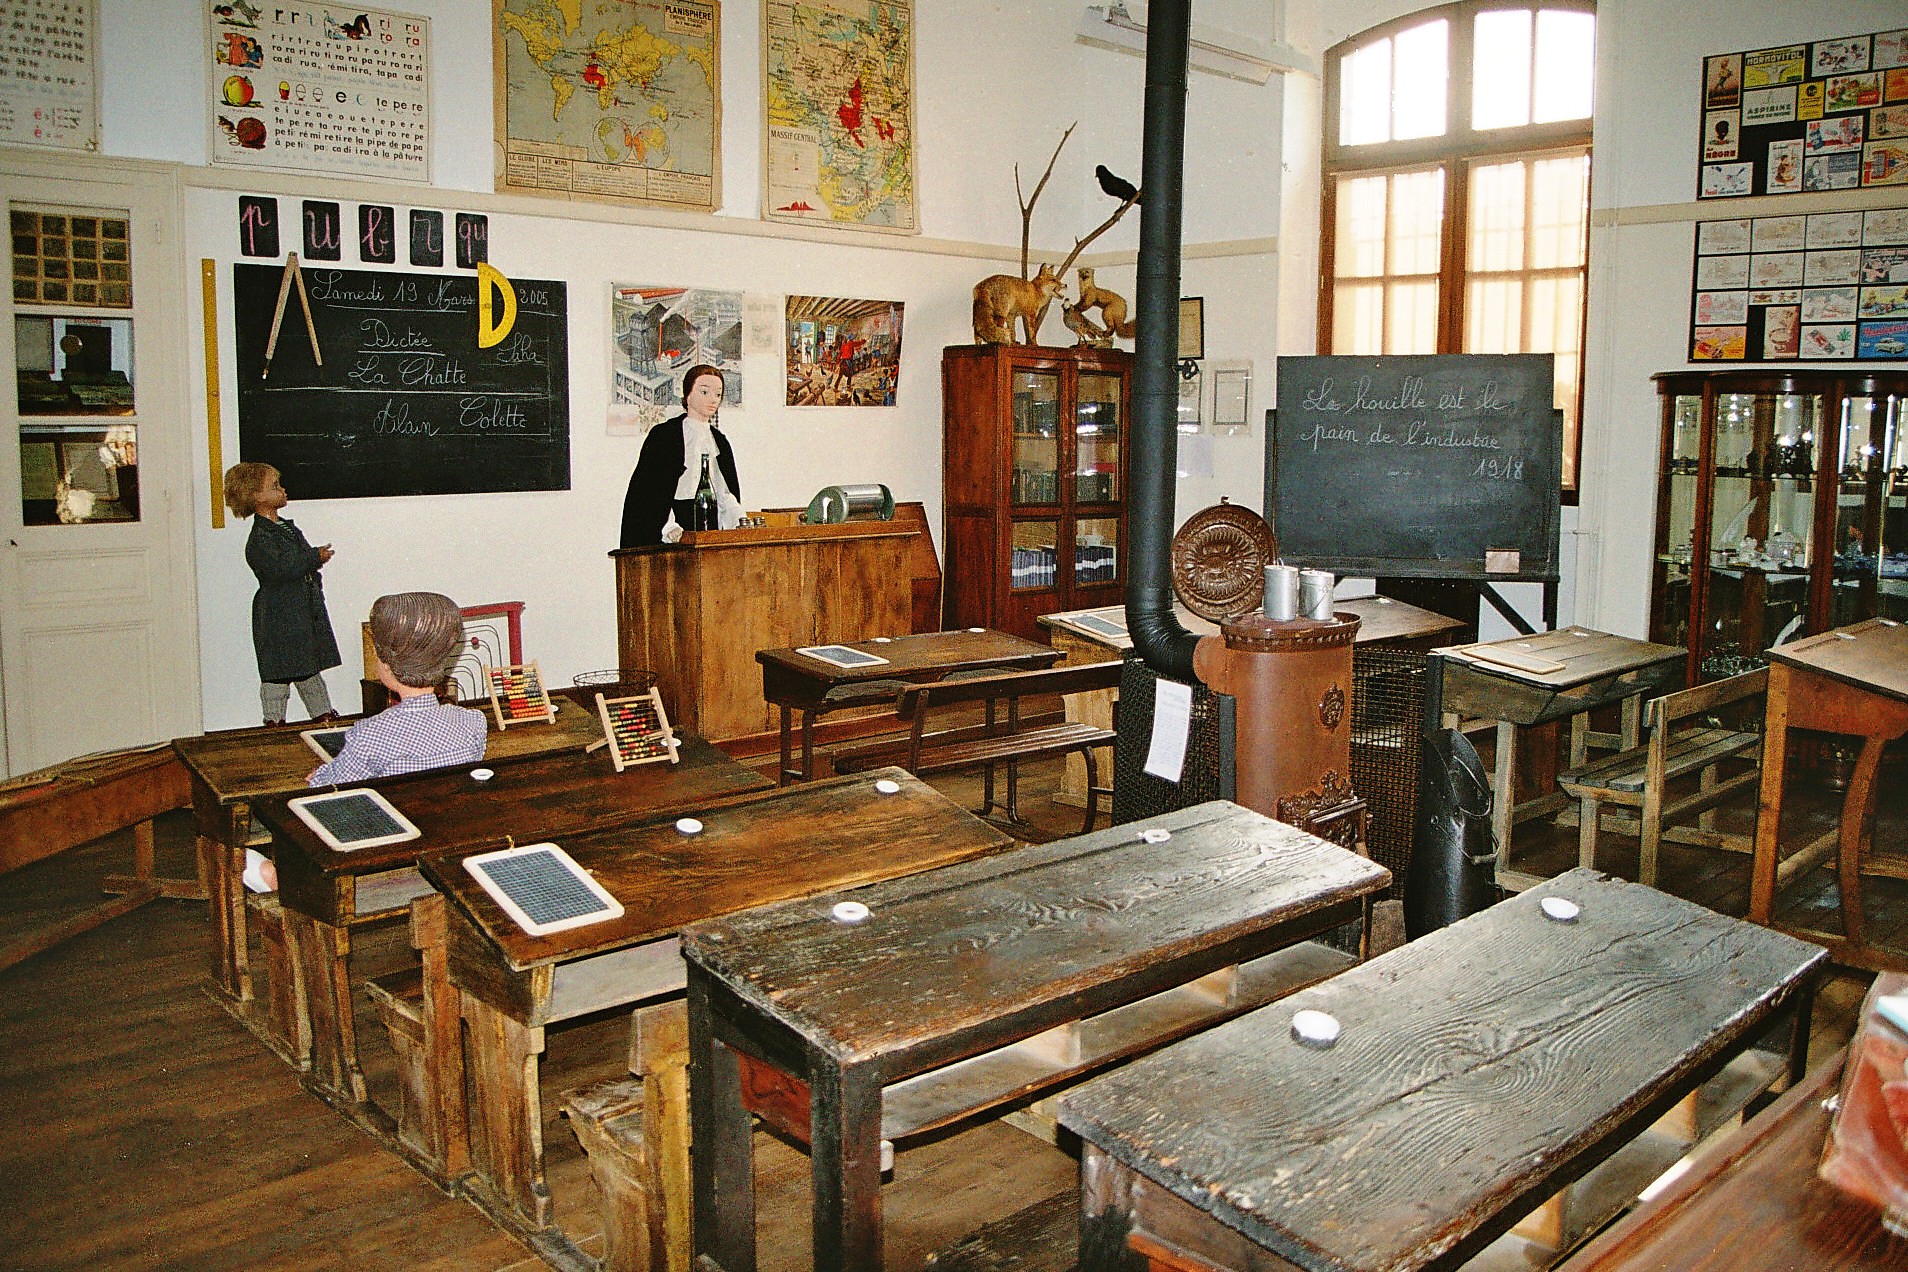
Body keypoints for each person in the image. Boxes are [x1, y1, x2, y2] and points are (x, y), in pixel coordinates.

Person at [243, 591, 487, 891]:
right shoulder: (473, 723)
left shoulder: (371, 733)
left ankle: (277, 878)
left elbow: (326, 791)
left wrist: (319, 775)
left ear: (385, 663)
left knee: (249, 857)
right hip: (441, 846)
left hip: (380, 855)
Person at [223, 462, 340, 727]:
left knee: (308, 666)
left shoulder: (286, 528)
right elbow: (280, 568)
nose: (283, 489)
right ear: (256, 497)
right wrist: (313, 557)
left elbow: (296, 561)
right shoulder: (260, 537)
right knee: (277, 672)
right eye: (275, 486)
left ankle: (322, 713)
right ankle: (274, 719)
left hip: (298, 609)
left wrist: (313, 567)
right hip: (279, 613)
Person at [619, 364, 743, 546]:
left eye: (718, 394)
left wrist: (739, 519)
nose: (713, 400)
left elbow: (724, 492)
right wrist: (668, 526)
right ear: (688, 395)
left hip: (709, 523)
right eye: (704, 392)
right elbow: (652, 490)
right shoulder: (665, 436)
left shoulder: (719, 441)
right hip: (674, 523)